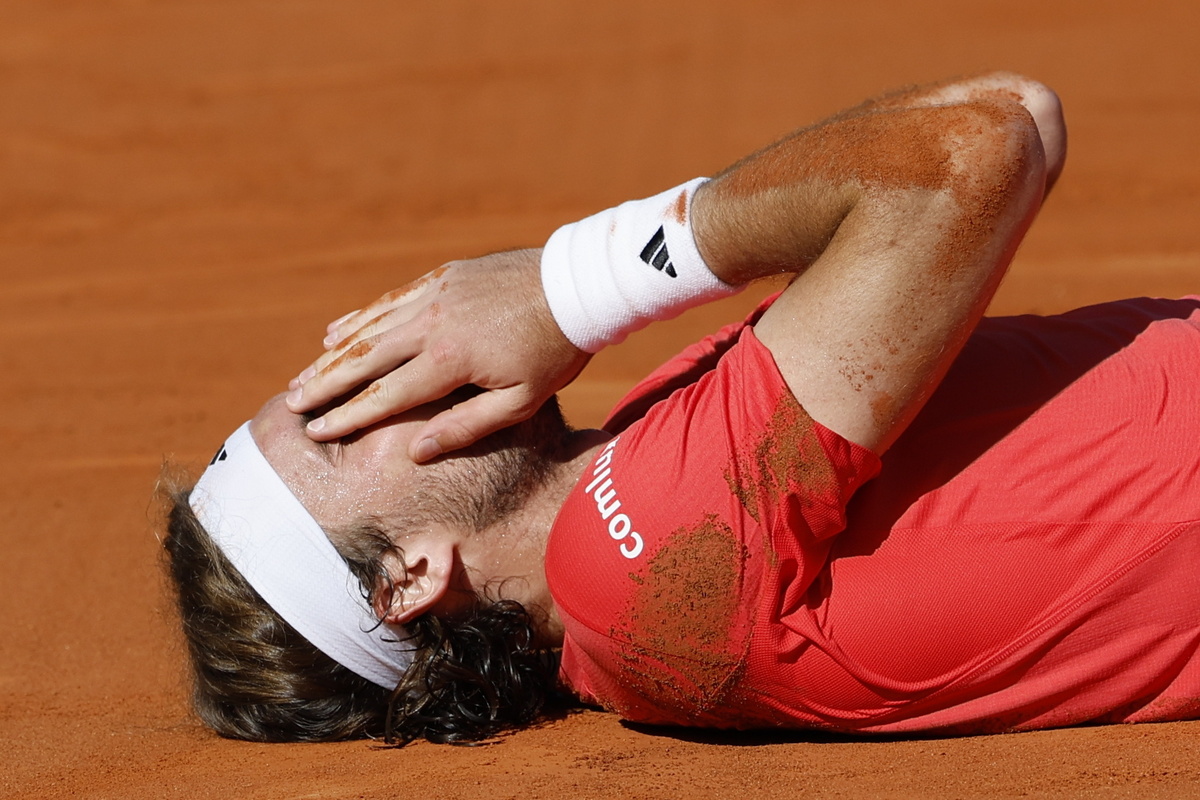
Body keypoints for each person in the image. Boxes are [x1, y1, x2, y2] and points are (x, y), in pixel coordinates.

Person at [163, 71, 1200, 746]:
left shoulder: (640, 470)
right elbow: (977, 150)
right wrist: (571, 284)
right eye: (337, 420)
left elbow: (1015, 128)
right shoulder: (631, 561)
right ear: (410, 575)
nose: (367, 371)